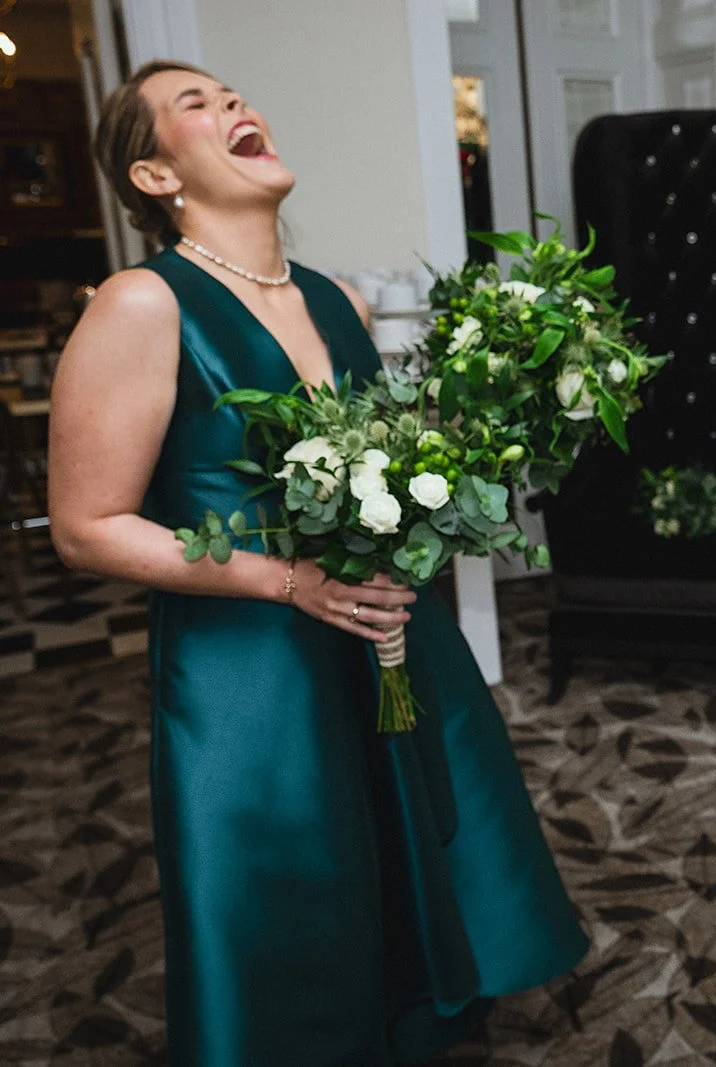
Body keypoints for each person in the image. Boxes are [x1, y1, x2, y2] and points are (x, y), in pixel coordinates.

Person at [49, 61, 587, 1065]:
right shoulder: (140, 304)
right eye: (197, 106)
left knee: (398, 835)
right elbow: (86, 525)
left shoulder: (337, 298)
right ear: (155, 176)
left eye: (236, 96)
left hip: (378, 627)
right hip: (248, 662)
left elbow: (374, 469)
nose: (236, 107)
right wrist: (288, 580)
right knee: (288, 887)